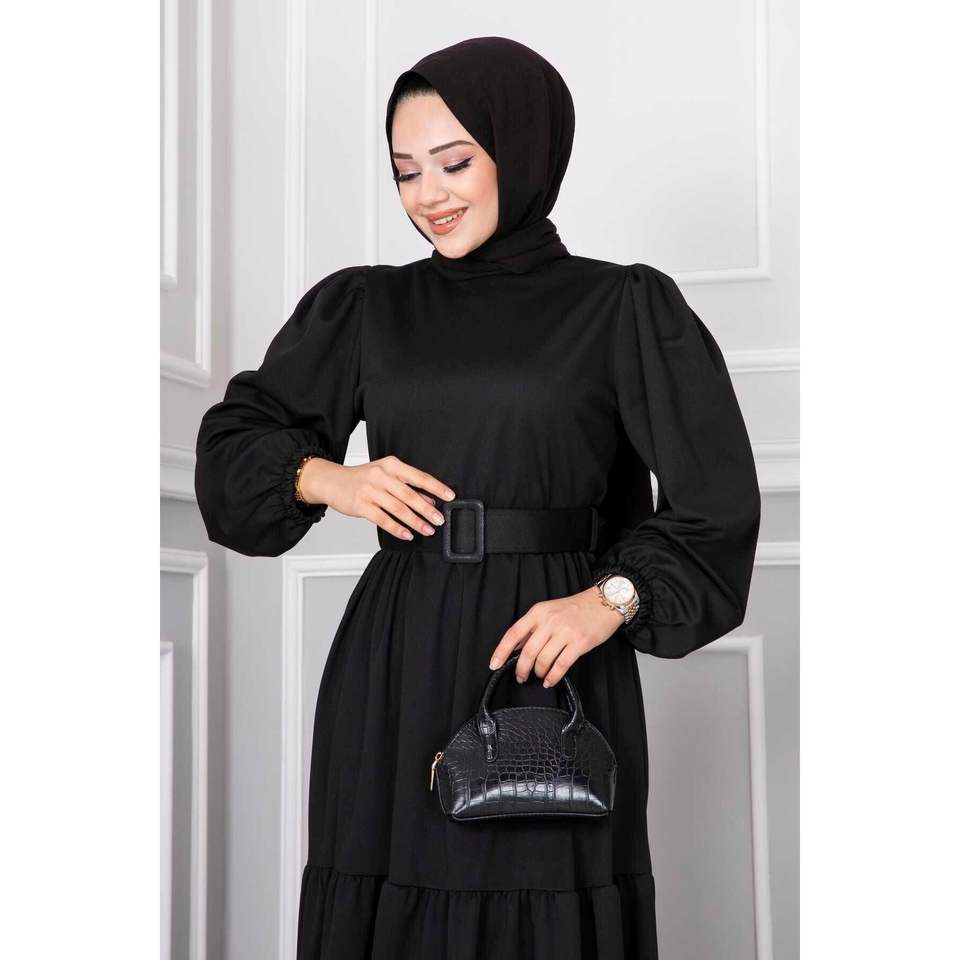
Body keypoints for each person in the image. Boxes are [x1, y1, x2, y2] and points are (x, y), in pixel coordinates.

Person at [194, 35, 760, 960]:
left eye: (455, 163)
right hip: (398, 656)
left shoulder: (622, 307)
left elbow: (717, 504)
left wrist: (608, 601)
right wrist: (331, 478)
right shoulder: (366, 306)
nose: (429, 194)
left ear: (522, 150)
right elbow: (232, 451)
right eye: (405, 171)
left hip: (552, 660)